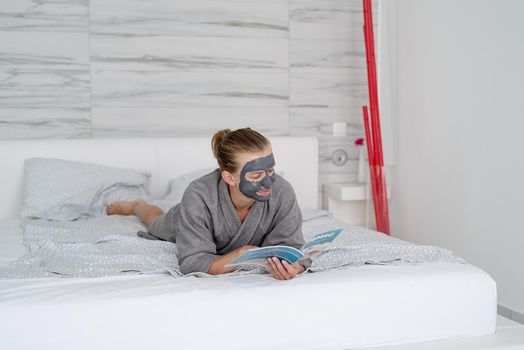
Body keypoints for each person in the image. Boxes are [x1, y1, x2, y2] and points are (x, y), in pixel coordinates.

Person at [106, 128, 307, 280]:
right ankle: (136, 205)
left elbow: (292, 247)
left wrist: (294, 267)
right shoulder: (198, 195)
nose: (268, 181)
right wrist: (240, 254)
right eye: (256, 175)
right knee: (155, 220)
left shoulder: (282, 191)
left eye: (271, 170)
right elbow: (193, 263)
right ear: (229, 177)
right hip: (185, 221)